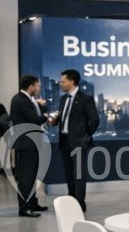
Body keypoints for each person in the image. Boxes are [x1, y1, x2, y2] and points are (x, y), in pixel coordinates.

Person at [54, 69, 98, 211]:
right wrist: (55, 121)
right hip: (65, 141)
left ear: (72, 82)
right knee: (68, 174)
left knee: (78, 174)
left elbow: (94, 120)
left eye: (63, 81)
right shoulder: (63, 99)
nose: (60, 84)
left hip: (79, 142)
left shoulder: (85, 98)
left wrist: (86, 135)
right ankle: (71, 201)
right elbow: (64, 118)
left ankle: (80, 204)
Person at [9, 74, 48, 217]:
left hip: (30, 143)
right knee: (26, 177)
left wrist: (40, 107)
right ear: (31, 86)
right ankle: (24, 207)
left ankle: (32, 203)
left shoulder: (26, 100)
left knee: (31, 176)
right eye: (38, 85)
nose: (39, 88)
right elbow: (35, 120)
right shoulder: (21, 100)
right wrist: (47, 115)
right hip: (27, 143)